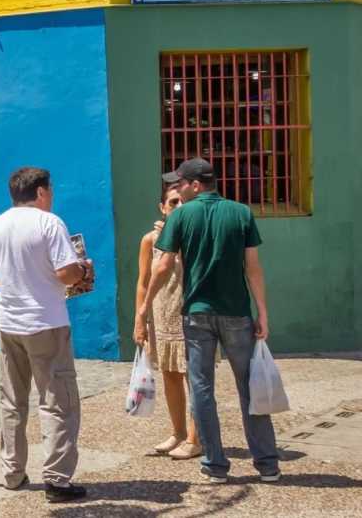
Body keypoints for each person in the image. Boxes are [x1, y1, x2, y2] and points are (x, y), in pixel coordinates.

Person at [139, 158, 277, 484]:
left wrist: (144, 307)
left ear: (196, 185)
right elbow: (252, 267)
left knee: (202, 390)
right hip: (237, 313)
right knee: (249, 387)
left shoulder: (182, 215)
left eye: (181, 183)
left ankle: (215, 465)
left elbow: (162, 266)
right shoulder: (241, 213)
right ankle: (267, 464)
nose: (178, 189)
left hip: (197, 314)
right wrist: (262, 311)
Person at [0, 166, 91, 504]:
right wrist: (82, 269)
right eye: (50, 190)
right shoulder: (49, 223)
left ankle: (13, 472)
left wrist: (15, 280)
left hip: (8, 324)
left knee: (12, 401)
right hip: (47, 322)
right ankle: (56, 479)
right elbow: (67, 274)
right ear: (40, 192)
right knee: (58, 402)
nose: (52, 196)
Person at [133, 179, 201, 461]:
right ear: (162, 208)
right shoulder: (150, 240)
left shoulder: (195, 236)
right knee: (170, 376)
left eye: (182, 201)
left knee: (195, 378)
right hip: (161, 316)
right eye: (173, 202)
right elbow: (143, 282)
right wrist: (140, 320)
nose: (179, 206)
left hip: (190, 314)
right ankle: (178, 432)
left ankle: (197, 439)